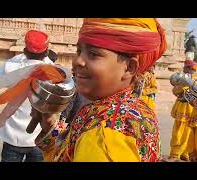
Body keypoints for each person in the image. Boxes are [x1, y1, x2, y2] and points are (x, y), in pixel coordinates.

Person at [33, 18, 167, 162]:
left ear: (129, 68)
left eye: (94, 54)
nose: (77, 61)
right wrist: (49, 124)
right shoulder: (137, 108)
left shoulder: (104, 134)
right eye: (79, 51)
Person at [0, 30, 54, 162]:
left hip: (12, 136)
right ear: (46, 52)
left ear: (25, 50)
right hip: (38, 136)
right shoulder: (51, 71)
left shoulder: (10, 67)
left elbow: (1, 74)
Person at [168, 60, 197, 161]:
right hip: (182, 107)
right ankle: (175, 153)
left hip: (190, 108)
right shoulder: (181, 78)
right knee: (179, 131)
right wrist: (183, 88)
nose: (184, 69)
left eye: (186, 67)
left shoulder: (196, 80)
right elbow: (174, 91)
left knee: (188, 131)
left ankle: (184, 153)